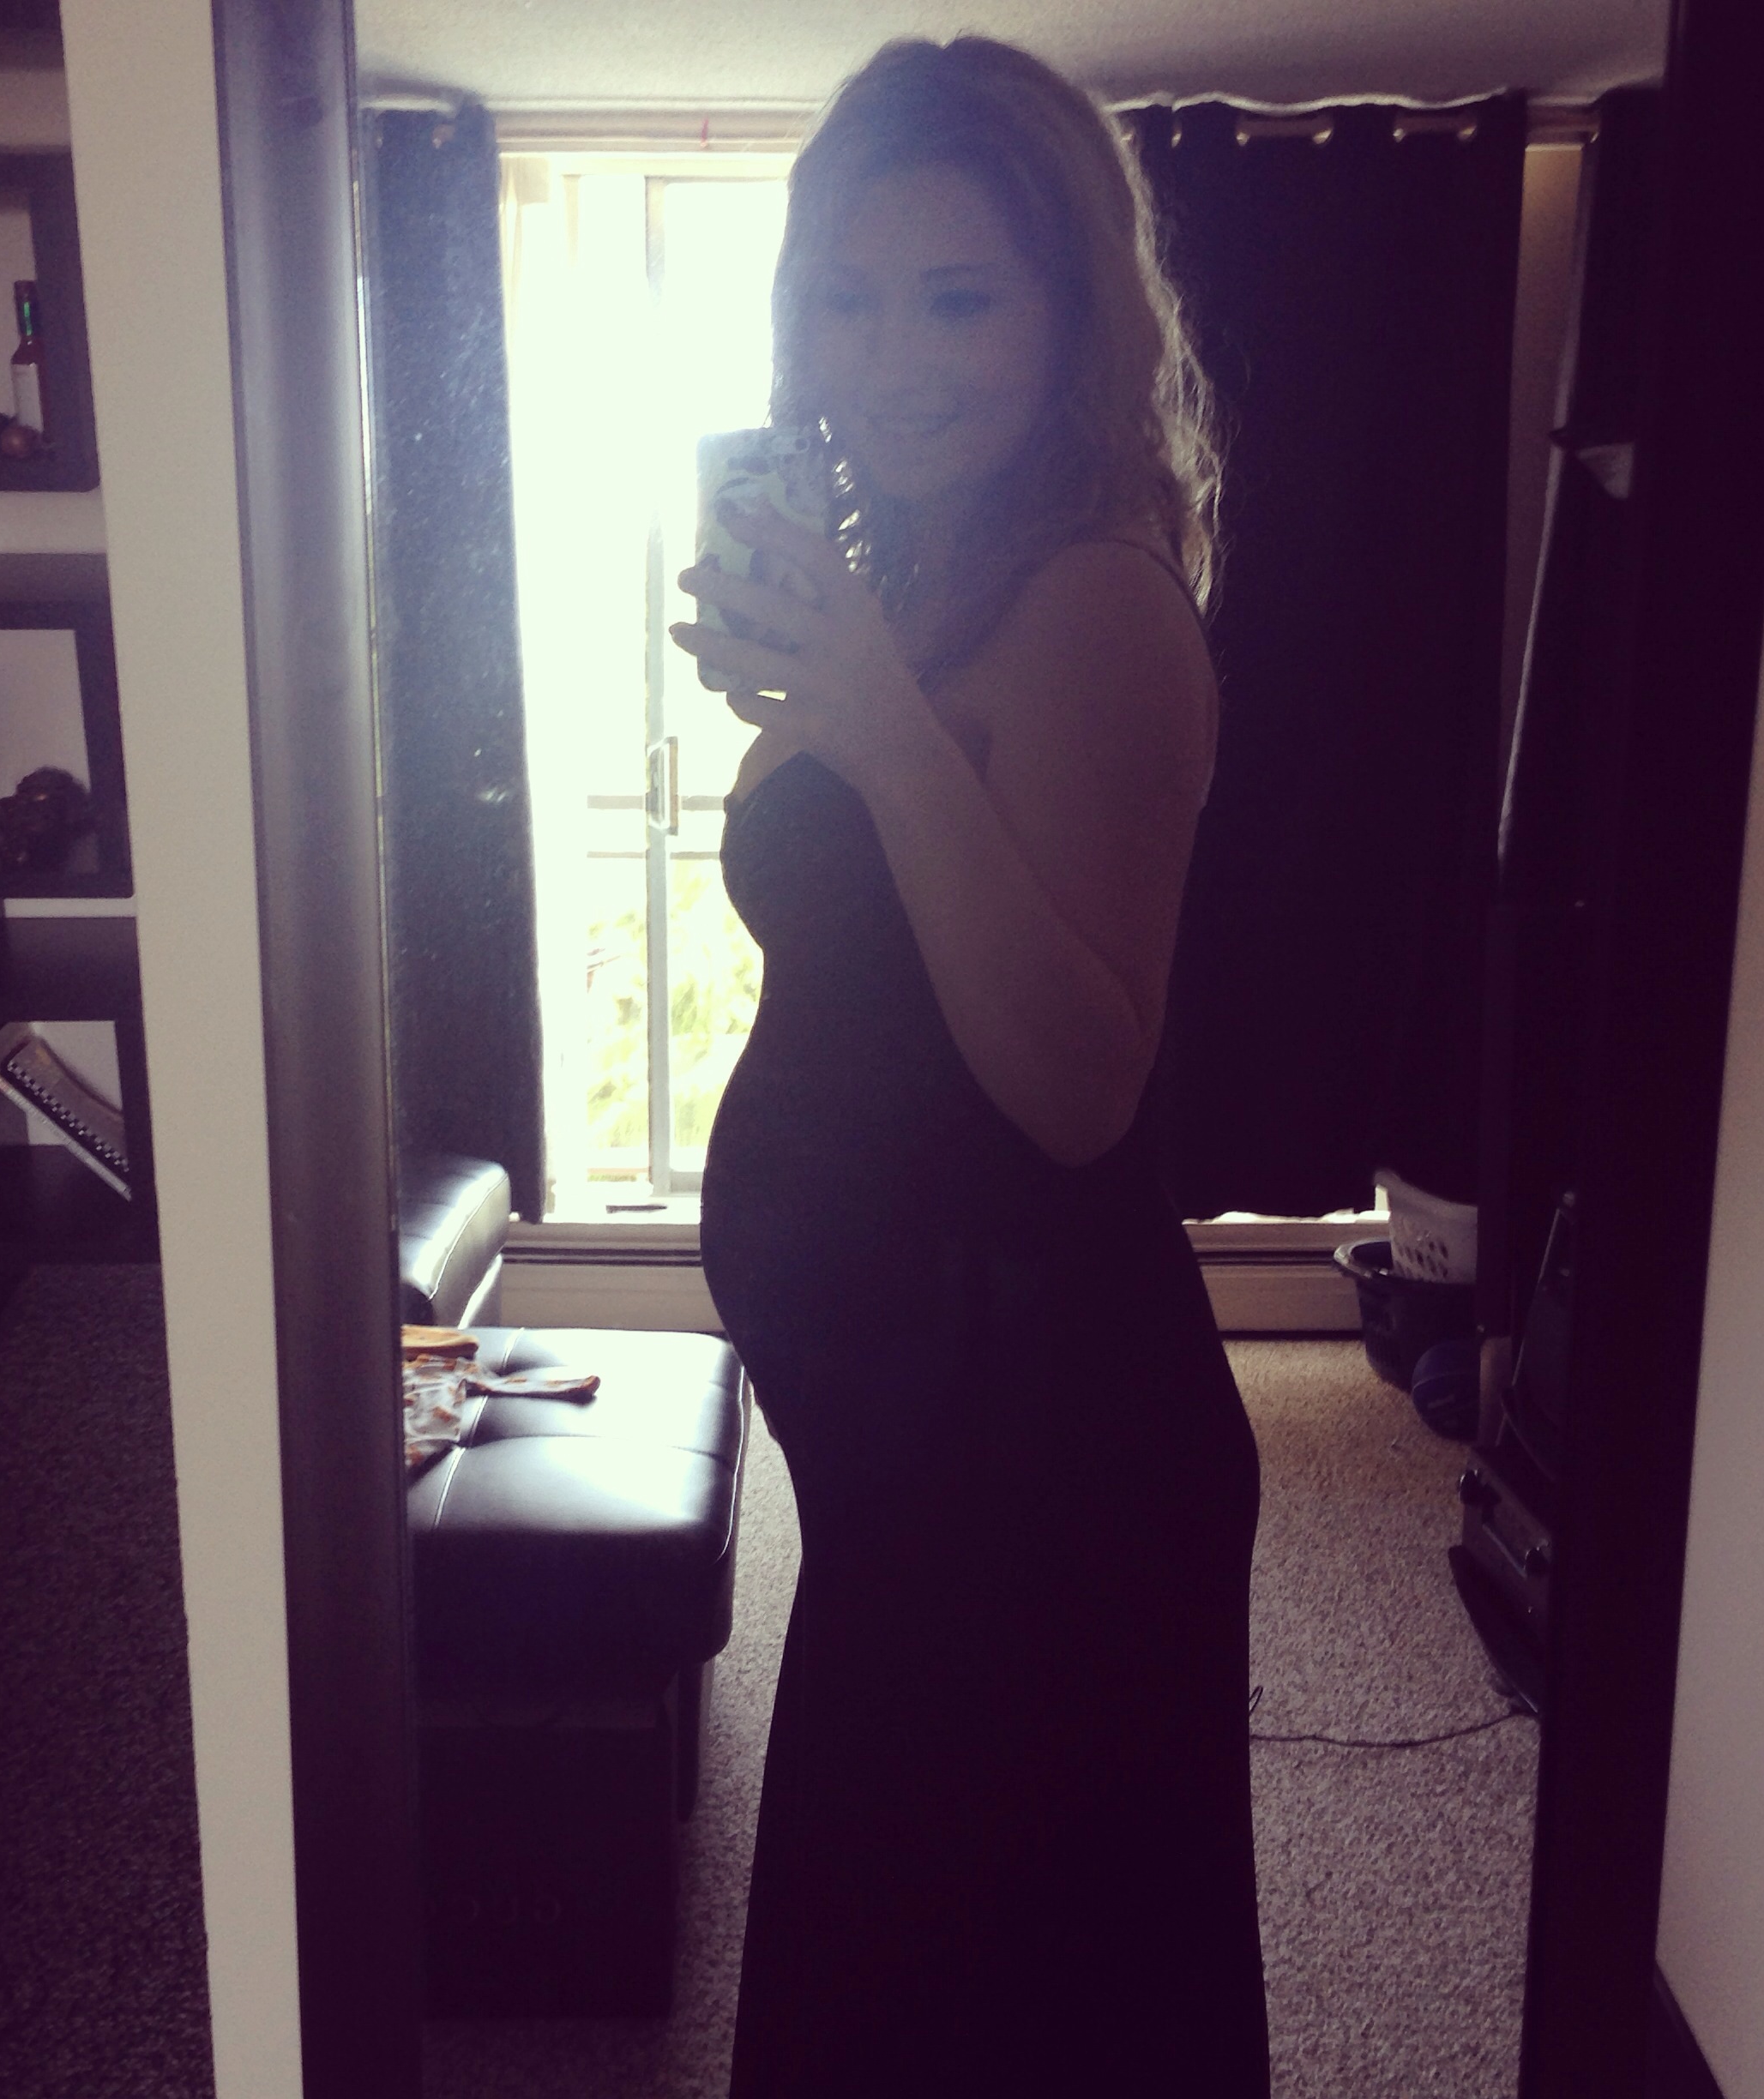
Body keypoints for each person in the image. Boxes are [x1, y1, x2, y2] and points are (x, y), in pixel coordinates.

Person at [669, 35, 1270, 2097]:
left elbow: (1081, 1088)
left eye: (957, 299)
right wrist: (820, 695)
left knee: (995, 2004)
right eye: (849, 297)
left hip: (1046, 1462)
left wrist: (864, 713)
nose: (893, 359)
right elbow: (881, 948)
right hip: (917, 1446)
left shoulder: (1102, 601)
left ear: (1069, 316)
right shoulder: (928, 569)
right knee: (897, 1968)